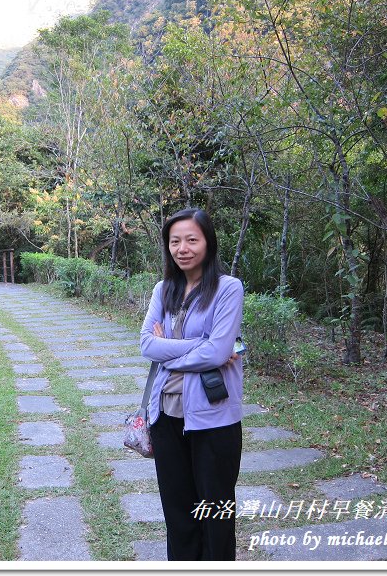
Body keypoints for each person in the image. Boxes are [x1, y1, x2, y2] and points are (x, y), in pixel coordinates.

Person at [140, 207, 244, 561]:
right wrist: (203, 346)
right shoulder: (163, 289)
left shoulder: (228, 289)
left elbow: (217, 353)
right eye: (175, 241)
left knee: (215, 510)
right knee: (179, 510)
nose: (182, 248)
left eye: (191, 240)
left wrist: (171, 350)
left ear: (208, 243)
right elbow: (146, 345)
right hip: (166, 414)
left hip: (214, 418)